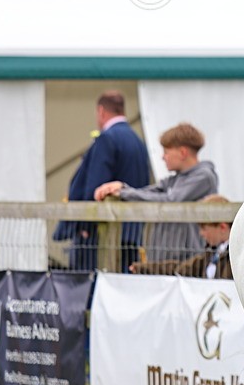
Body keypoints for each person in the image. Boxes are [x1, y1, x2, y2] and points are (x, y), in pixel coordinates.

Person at [52, 91, 151, 271]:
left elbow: (95, 185)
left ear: (101, 111)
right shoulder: (138, 142)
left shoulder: (107, 139)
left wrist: (85, 224)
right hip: (131, 233)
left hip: (101, 234)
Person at [95, 122, 219, 264]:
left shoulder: (204, 177)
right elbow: (151, 191)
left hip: (187, 261)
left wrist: (125, 193)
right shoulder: (174, 180)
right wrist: (121, 188)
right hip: (163, 259)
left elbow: (171, 199)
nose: (162, 157)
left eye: (166, 152)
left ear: (183, 152)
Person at [129, 220, 232, 279]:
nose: (201, 234)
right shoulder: (211, 254)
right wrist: (144, 268)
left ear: (222, 227)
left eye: (204, 228)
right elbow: (179, 268)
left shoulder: (234, 257)